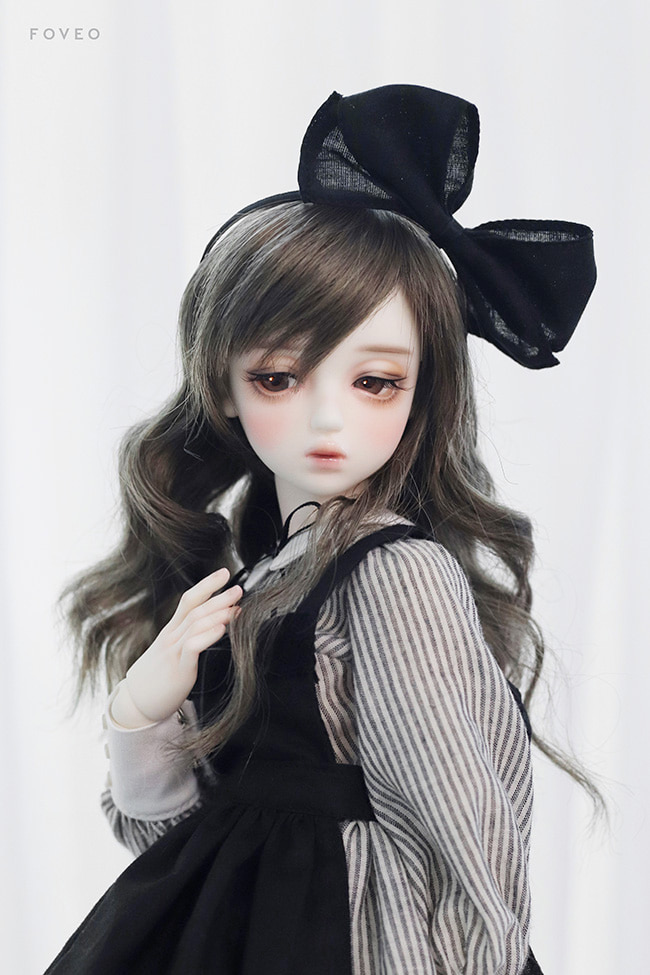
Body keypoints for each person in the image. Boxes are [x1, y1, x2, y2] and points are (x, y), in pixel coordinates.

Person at [46, 85, 598, 975]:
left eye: (375, 381)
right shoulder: (265, 572)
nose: (328, 419)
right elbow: (173, 839)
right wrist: (141, 710)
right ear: (223, 384)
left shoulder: (396, 572)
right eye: (279, 377)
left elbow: (466, 833)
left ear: (421, 390)